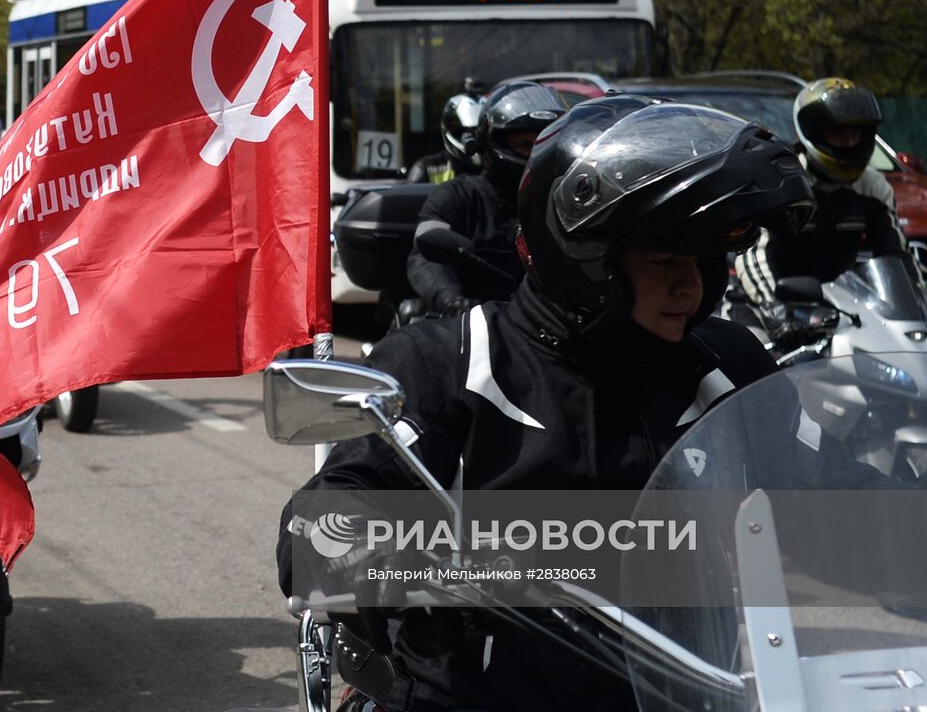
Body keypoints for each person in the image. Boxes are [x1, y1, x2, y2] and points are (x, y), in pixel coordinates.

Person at [277, 97, 818, 711]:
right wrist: (399, 554)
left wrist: (925, 513)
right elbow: (316, 534)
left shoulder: (723, 365)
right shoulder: (452, 362)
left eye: (702, 261)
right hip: (470, 700)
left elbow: (827, 492)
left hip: (684, 695)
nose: (690, 285)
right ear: (586, 259)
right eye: (664, 260)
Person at [733, 77, 910, 349]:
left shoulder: (873, 186)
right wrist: (775, 310)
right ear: (815, 133)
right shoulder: (782, 181)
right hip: (766, 304)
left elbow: (895, 256)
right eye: (839, 134)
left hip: (839, 310)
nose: (850, 143)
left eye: (856, 134)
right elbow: (752, 255)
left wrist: (918, 311)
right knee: (754, 363)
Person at [404, 82, 567, 315]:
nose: (536, 155)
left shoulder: (566, 202)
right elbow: (425, 258)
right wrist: (453, 301)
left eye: (546, 144)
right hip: (472, 327)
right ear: (494, 143)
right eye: (525, 145)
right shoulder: (457, 197)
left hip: (548, 324)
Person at [405, 92, 481, 185]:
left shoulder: (497, 167)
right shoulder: (427, 168)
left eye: (479, 131)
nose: (474, 137)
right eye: (468, 131)